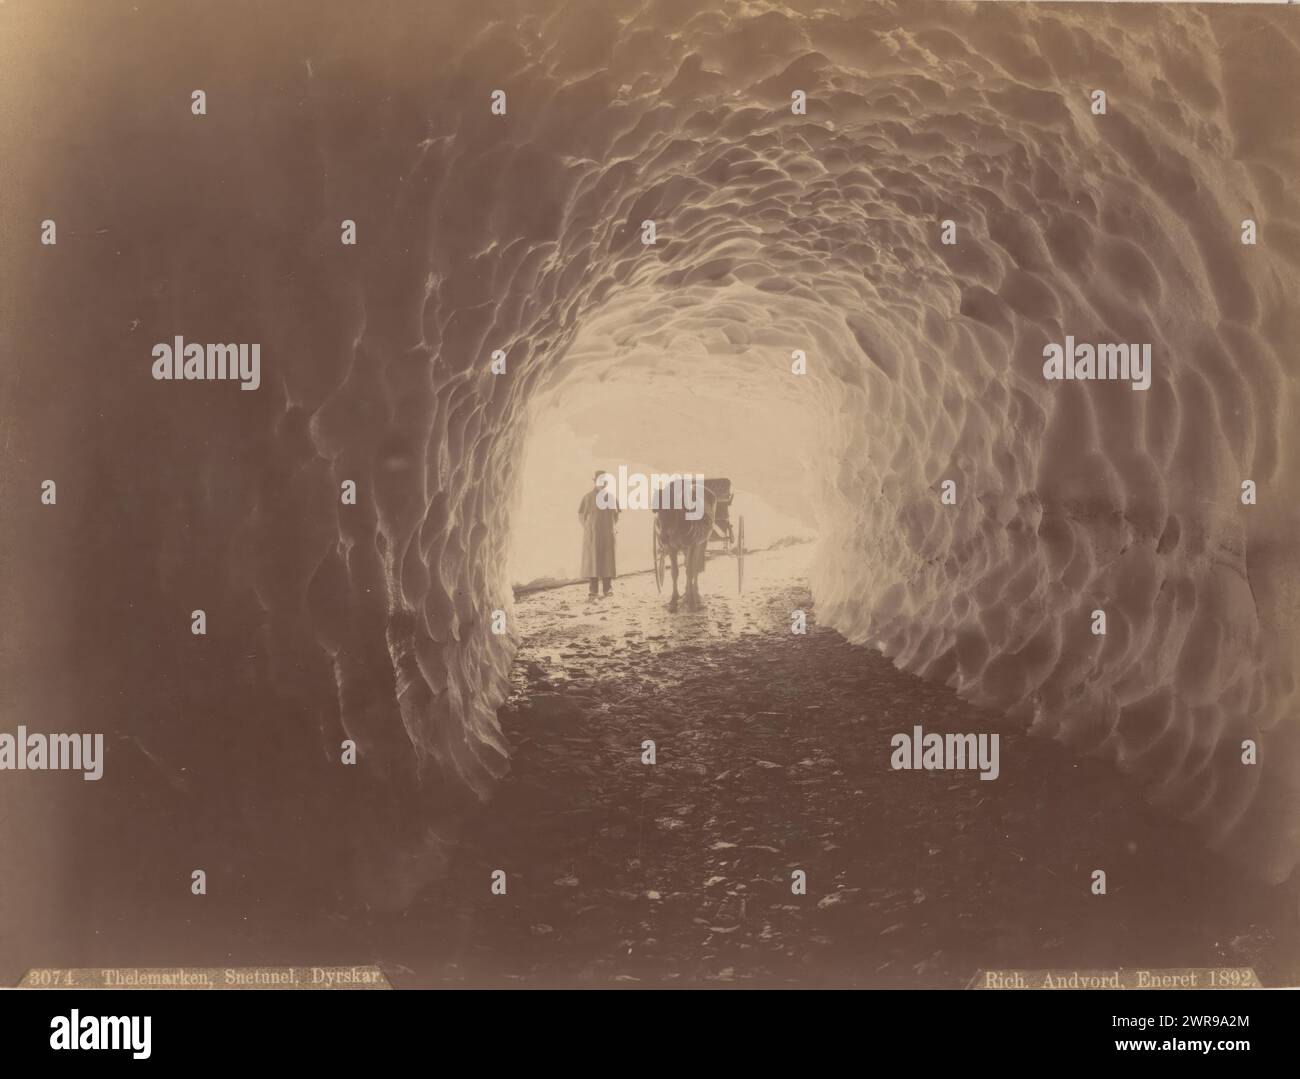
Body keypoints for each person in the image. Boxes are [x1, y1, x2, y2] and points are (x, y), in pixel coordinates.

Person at [578, 470, 619, 597]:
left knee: (607, 560)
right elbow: (581, 515)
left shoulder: (611, 497)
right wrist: (587, 528)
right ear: (595, 481)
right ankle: (593, 590)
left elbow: (616, 515)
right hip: (593, 534)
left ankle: (608, 588)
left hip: (607, 533)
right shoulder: (588, 497)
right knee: (593, 561)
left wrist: (610, 527)